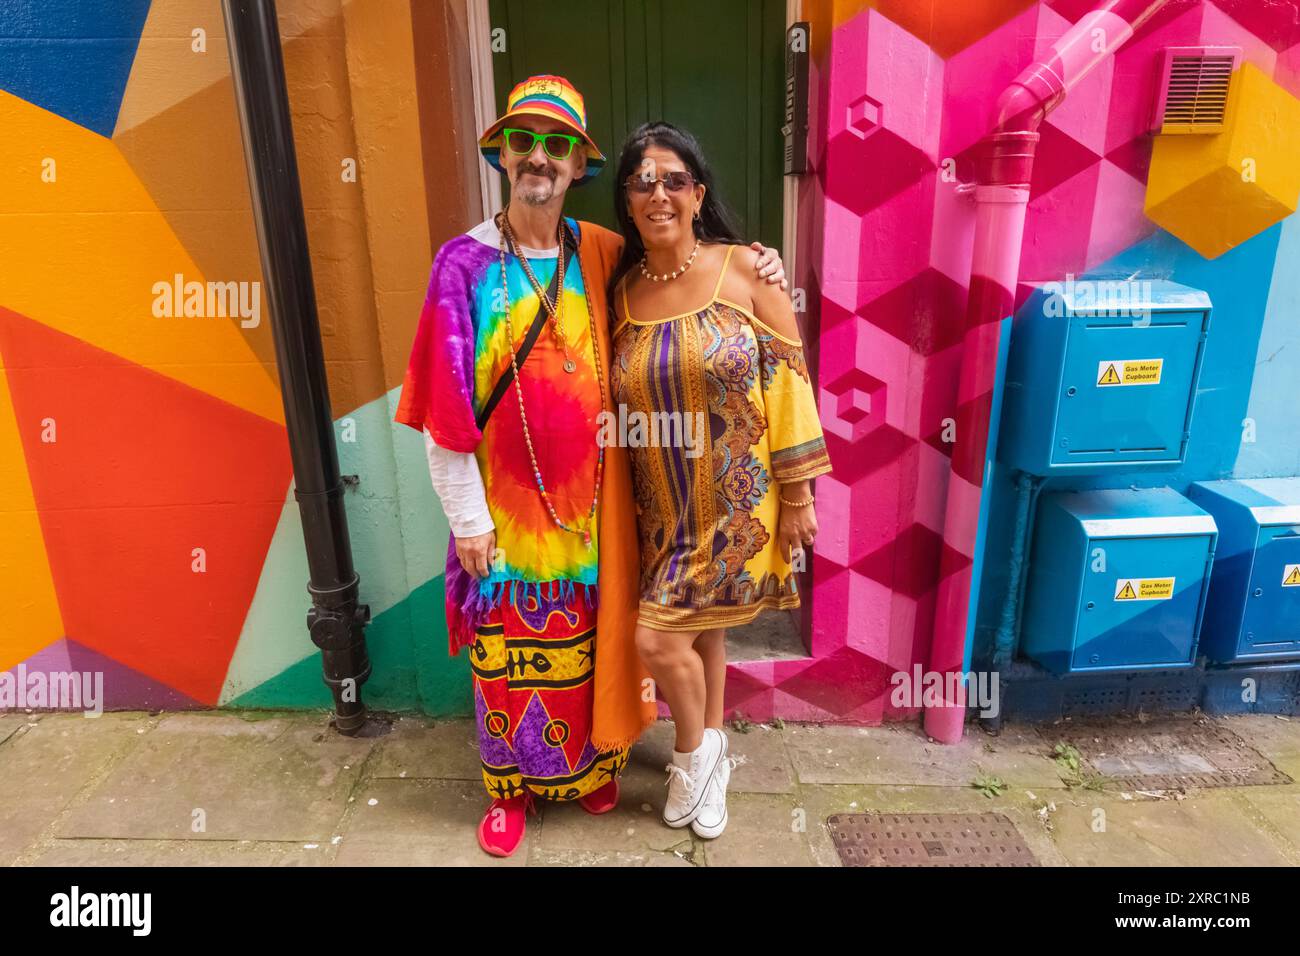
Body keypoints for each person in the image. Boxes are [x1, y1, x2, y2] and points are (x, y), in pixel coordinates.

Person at [394, 77, 787, 858]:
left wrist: (756, 262)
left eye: (559, 144)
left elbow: (683, 263)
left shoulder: (602, 251)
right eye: (524, 141)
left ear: (580, 165)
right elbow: (444, 415)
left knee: (587, 655)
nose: (539, 156)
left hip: (597, 513)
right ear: (501, 155)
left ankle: (586, 771)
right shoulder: (460, 266)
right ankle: (508, 793)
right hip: (503, 522)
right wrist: (467, 518)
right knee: (506, 664)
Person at [609, 121, 832, 839]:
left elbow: (789, 376)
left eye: (674, 179)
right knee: (699, 633)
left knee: (656, 640)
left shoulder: (746, 270)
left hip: (735, 500)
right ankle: (714, 760)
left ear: (698, 194)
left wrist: (798, 493)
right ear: (627, 200)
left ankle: (690, 757)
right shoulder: (622, 292)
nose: (658, 193)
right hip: (659, 507)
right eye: (642, 181)